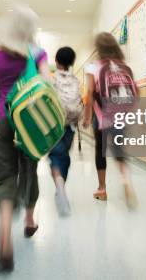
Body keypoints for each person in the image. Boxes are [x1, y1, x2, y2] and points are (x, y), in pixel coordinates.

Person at [0, 5, 50, 273]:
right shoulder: (38, 54)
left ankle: (5, 240)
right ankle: (30, 220)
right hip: (30, 124)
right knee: (30, 172)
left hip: (3, 121)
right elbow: (47, 87)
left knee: (6, 176)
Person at [82, 32, 137, 209]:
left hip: (102, 116)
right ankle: (126, 180)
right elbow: (136, 91)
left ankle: (102, 189)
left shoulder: (93, 67)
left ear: (98, 48)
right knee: (119, 150)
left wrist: (87, 116)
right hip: (122, 115)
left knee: (101, 150)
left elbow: (90, 94)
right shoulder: (124, 66)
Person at [49, 46, 83, 216]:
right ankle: (61, 186)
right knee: (64, 157)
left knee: (55, 157)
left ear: (56, 61)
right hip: (70, 125)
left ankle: (60, 187)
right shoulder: (76, 80)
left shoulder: (51, 79)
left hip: (54, 126)